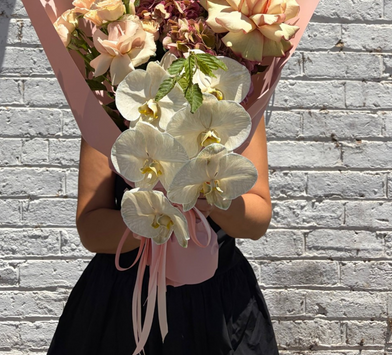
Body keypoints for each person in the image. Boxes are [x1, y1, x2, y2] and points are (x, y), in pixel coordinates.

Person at [46, 117, 279, 354]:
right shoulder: (108, 107)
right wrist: (153, 217)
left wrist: (210, 194)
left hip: (218, 303)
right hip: (126, 302)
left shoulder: (239, 106)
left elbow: (256, 223)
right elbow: (91, 230)